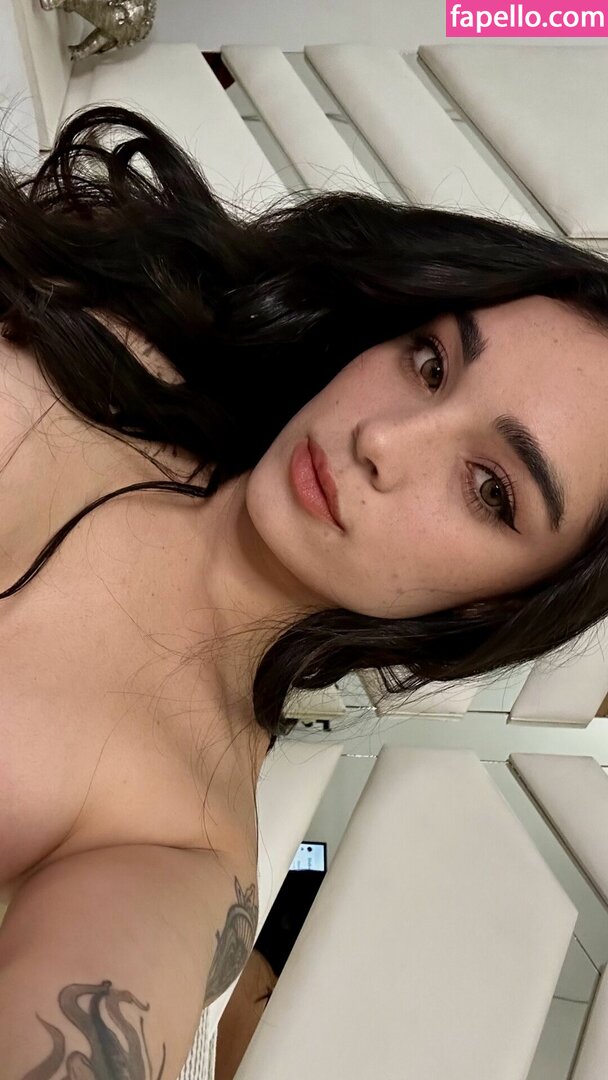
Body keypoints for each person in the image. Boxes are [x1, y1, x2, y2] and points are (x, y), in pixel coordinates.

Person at [2, 103, 608, 1075]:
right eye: (429, 363)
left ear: (498, 605)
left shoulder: (178, 840)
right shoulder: (127, 320)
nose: (383, 439)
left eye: (490, 488)